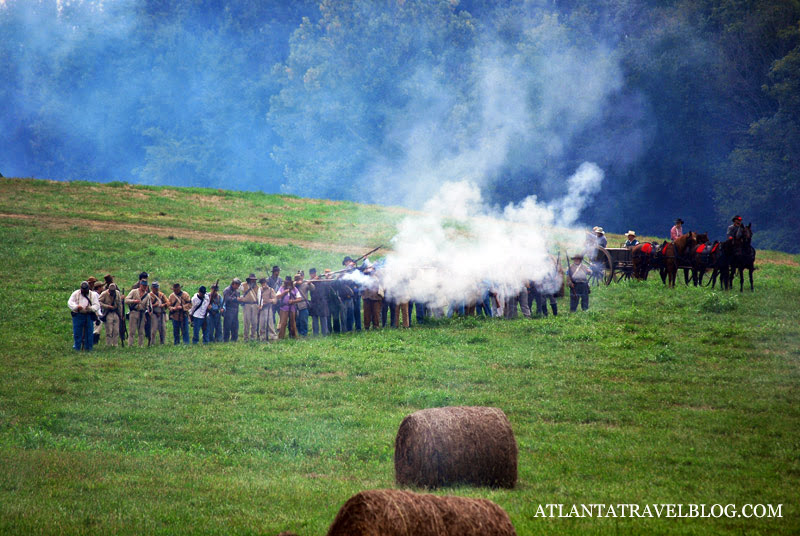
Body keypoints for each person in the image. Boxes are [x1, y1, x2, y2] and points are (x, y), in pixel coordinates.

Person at [68, 281, 101, 351]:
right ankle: (77, 347)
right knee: (77, 332)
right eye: (83, 289)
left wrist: (91, 308)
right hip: (78, 315)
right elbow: (70, 302)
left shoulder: (93, 295)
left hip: (88, 315)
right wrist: (77, 306)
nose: (84, 291)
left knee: (89, 332)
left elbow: (97, 305)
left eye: (85, 289)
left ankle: (88, 348)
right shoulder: (76, 293)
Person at [125, 280, 151, 347]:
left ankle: (140, 345)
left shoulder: (147, 295)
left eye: (146, 286)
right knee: (132, 330)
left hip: (142, 313)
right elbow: (126, 300)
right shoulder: (134, 291)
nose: (144, 287)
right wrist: (134, 301)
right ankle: (130, 344)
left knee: (141, 331)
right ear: (140, 285)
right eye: (143, 286)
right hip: (134, 312)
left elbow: (148, 305)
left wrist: (148, 311)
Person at [308, 269, 330, 336]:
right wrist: (313, 280)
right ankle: (315, 334)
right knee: (315, 319)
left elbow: (327, 285)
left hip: (322, 301)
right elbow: (308, 284)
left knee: (323, 318)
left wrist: (326, 278)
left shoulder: (320, 280)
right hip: (314, 302)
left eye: (314, 273)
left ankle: (324, 333)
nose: (313, 274)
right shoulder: (309, 282)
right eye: (312, 273)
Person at [240, 274, 259, 342]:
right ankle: (246, 337)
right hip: (247, 305)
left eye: (254, 280)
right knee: (246, 322)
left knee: (254, 322)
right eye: (252, 279)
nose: (253, 281)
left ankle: (253, 336)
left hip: (254, 305)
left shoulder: (257, 287)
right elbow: (238, 290)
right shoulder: (244, 285)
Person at [148, 281, 168, 345]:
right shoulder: (149, 296)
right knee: (153, 330)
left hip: (161, 313)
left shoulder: (161, 295)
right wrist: (154, 305)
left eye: (157, 288)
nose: (156, 289)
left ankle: (162, 342)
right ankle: (152, 343)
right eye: (155, 288)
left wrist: (164, 305)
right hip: (154, 314)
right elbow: (147, 306)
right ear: (152, 288)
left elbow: (168, 302)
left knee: (163, 330)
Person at [223, 278, 242, 342]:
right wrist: (236, 299)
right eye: (237, 285)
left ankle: (234, 339)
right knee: (227, 326)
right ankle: (226, 339)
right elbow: (227, 299)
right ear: (234, 284)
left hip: (235, 310)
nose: (238, 286)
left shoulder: (237, 291)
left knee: (235, 325)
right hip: (229, 309)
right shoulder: (227, 290)